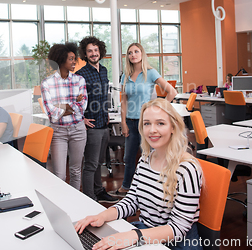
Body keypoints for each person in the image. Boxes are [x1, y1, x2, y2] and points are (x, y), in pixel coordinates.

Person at [75, 99, 202, 250]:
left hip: (175, 243)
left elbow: (178, 229)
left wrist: (135, 236)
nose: (152, 130)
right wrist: (102, 216)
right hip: (146, 234)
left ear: (173, 127)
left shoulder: (187, 169)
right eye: (147, 123)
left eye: (160, 123)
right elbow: (132, 200)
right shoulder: (145, 159)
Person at [113, 43, 177, 196]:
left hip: (146, 124)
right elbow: (124, 100)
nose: (133, 54)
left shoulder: (150, 73)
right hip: (130, 122)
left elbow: (172, 92)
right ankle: (126, 187)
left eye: (136, 51)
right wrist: (123, 122)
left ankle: (154, 190)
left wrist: (159, 111)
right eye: (130, 52)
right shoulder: (125, 76)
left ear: (142, 54)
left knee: (151, 157)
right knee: (128, 158)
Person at [76, 36, 118, 204]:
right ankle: (89, 198)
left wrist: (107, 112)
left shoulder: (105, 70)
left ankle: (99, 191)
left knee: (99, 162)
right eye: (89, 51)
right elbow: (74, 100)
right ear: (85, 55)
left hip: (103, 122)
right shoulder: (80, 75)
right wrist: (82, 118)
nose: (93, 54)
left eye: (95, 50)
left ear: (100, 51)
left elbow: (104, 95)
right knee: (90, 164)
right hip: (91, 124)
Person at [41, 42, 87, 190]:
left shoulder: (79, 80)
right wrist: (72, 105)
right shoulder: (47, 83)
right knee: (59, 175)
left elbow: (82, 107)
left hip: (78, 130)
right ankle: (61, 203)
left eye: (75, 58)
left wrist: (61, 106)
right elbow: (51, 113)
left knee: (75, 171)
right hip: (58, 132)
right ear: (61, 60)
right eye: (71, 59)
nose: (74, 62)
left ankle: (74, 206)